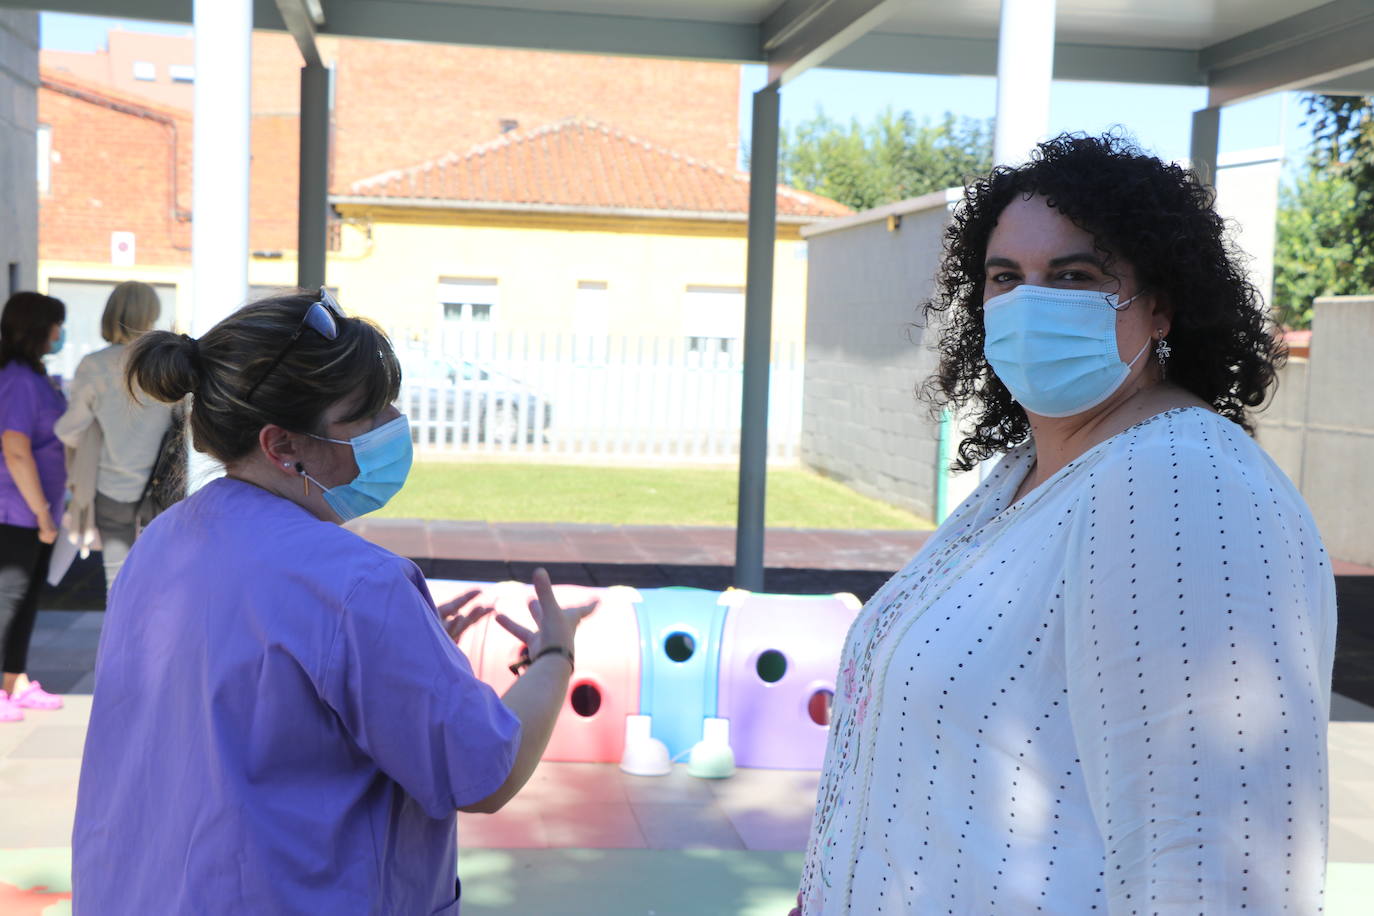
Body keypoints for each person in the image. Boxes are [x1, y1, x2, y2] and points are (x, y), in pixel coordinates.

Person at [795, 134, 1336, 913]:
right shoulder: (1024, 475)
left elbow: (1220, 869)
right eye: (1004, 277)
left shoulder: (1182, 484)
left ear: (1161, 306)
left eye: (1075, 276)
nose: (1029, 302)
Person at [73, 289, 592, 913]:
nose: (393, 423)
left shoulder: (162, 542)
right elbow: (485, 773)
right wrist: (555, 655)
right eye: (367, 413)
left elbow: (250, 710)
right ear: (282, 444)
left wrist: (403, 655)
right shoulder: (357, 587)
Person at [54, 281, 175, 592]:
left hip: (111, 487)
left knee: (117, 583)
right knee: (159, 582)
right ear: (151, 315)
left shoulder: (94, 365)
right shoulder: (166, 362)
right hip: (161, 489)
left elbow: (70, 429)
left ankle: (118, 640)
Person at [0, 291, 68, 722]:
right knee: (8, 598)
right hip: (15, 510)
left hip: (34, 512)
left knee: (24, 599)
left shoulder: (34, 375)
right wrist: (41, 513)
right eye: (55, 325)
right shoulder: (19, 380)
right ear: (37, 328)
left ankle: (14, 681)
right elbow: (16, 447)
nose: (60, 334)